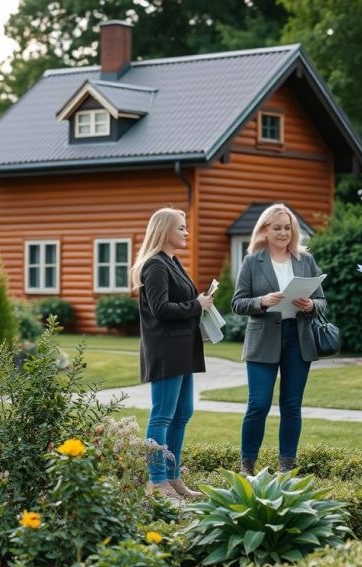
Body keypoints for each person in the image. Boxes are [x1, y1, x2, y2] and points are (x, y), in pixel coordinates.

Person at [231, 203, 327, 475]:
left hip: (298, 339)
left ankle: (287, 466)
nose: (283, 233)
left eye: (288, 228)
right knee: (258, 404)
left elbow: (322, 301)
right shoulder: (252, 261)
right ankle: (247, 466)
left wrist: (310, 306)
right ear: (264, 230)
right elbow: (237, 303)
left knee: (291, 405)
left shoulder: (305, 260)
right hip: (263, 339)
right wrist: (261, 301)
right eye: (277, 228)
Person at [131, 207, 212, 501]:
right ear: (165, 230)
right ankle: (156, 481)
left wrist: (199, 303)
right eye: (181, 228)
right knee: (162, 415)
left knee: (182, 413)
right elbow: (161, 310)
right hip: (167, 349)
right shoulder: (155, 266)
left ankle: (173, 476)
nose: (186, 232)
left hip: (183, 348)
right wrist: (197, 305)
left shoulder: (171, 262)